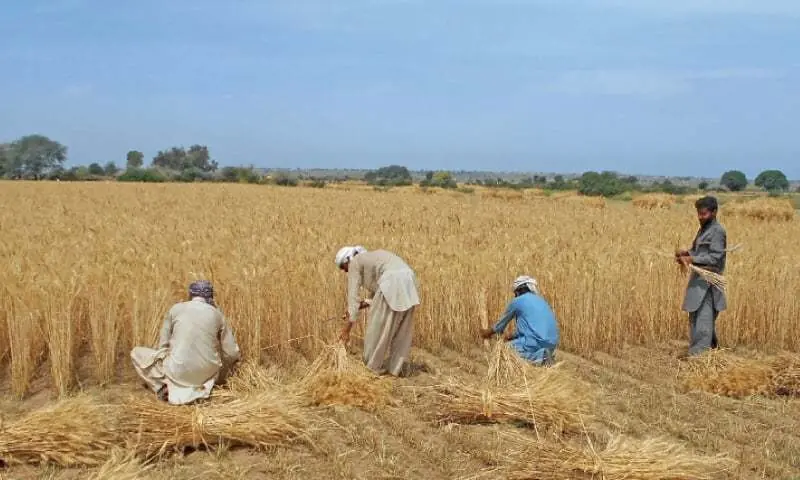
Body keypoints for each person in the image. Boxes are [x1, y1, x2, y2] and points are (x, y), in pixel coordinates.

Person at [130, 280, 241, 405]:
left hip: (177, 372)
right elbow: (232, 353)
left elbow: (162, 346)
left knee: (136, 353)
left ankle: (161, 388)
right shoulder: (217, 314)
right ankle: (202, 390)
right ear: (210, 297)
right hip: (207, 375)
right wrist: (224, 370)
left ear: (190, 295)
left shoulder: (175, 309)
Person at [335, 245, 420, 376]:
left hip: (392, 281)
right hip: (410, 282)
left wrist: (346, 330)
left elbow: (353, 298)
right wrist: (362, 304)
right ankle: (395, 370)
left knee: (377, 329)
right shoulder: (374, 257)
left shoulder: (355, 263)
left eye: (342, 267)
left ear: (348, 259)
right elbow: (379, 292)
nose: (344, 271)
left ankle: (371, 370)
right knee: (403, 332)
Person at [675, 195, 727, 357]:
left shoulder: (717, 232)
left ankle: (700, 358)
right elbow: (697, 251)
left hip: (709, 282)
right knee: (695, 317)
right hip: (699, 280)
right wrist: (686, 253)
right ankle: (709, 351)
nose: (700, 217)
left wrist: (692, 259)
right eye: (698, 213)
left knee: (704, 319)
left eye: (703, 214)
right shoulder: (703, 230)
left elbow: (715, 257)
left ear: (714, 212)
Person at [480, 276, 560, 366]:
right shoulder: (541, 300)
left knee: (504, 350)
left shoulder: (517, 301)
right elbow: (531, 327)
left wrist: (487, 333)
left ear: (518, 291)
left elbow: (500, 325)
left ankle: (540, 357)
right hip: (552, 343)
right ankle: (545, 355)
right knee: (518, 346)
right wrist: (513, 336)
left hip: (535, 341)